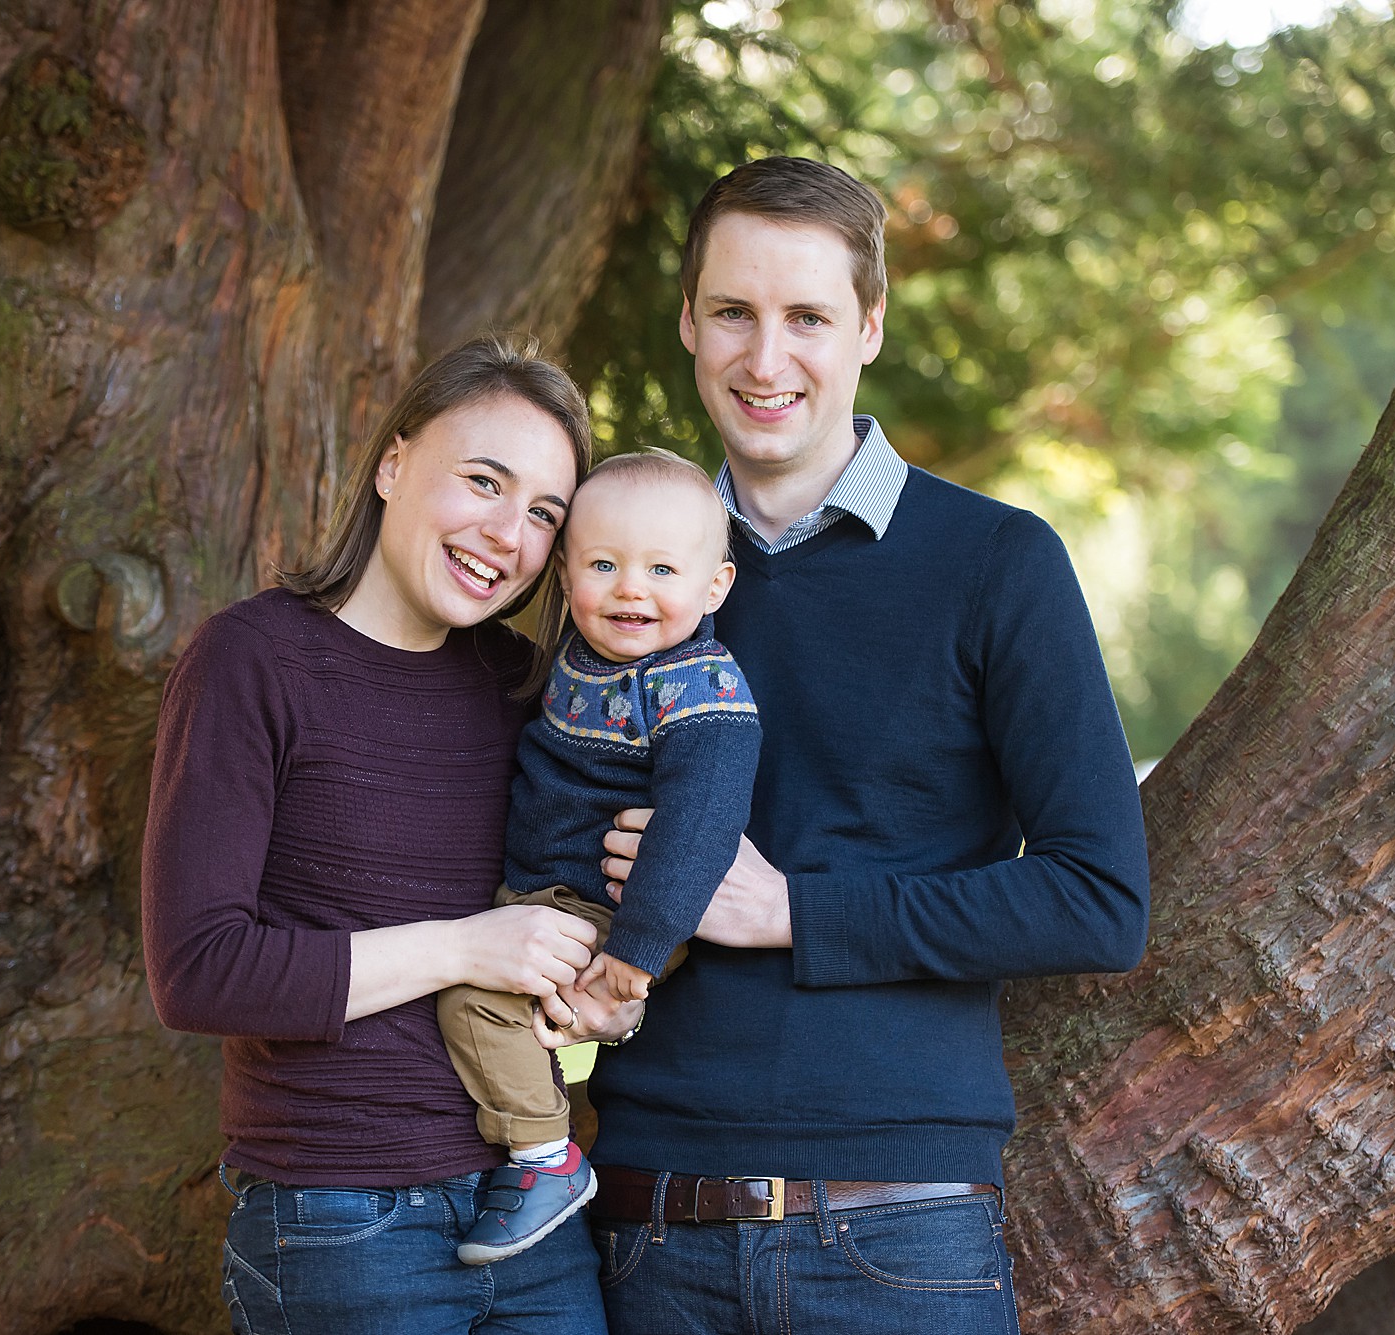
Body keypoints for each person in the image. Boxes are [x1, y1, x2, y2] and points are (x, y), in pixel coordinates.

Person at [565, 157, 1152, 1334]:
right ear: (688, 322)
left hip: (896, 1233)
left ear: (868, 327)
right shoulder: (611, 573)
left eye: (807, 318)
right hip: (644, 1224)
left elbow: (1096, 900)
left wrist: (793, 910)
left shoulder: (994, 563)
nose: (763, 359)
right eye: (732, 312)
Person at [140, 334, 611, 1335]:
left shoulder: (521, 691)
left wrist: (593, 988)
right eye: (482, 480)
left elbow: (556, 917)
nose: (506, 533)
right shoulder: (253, 661)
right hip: (340, 1222)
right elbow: (198, 972)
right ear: (394, 463)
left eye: (542, 514)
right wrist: (462, 947)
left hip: (534, 1209)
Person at [436, 450, 761, 1267]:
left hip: (619, 910)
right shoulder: (578, 658)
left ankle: (546, 1159)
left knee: (475, 1002)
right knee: (504, 1008)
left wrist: (633, 957)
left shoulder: (701, 688)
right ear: (567, 573)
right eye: (604, 564)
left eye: (661, 568)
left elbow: (698, 829)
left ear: (714, 587)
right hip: (549, 893)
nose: (630, 589)